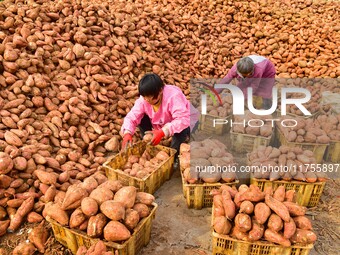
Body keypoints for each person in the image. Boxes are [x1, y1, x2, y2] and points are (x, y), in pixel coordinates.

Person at [120, 73, 192, 161]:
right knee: (141, 118)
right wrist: (127, 132)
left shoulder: (173, 96)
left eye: (150, 97)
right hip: (161, 123)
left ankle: (174, 158)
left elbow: (182, 119)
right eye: (144, 97)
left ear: (160, 90)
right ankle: (150, 141)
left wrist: (162, 132)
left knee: (177, 141)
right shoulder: (144, 99)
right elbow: (132, 116)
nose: (147, 100)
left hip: (182, 123)